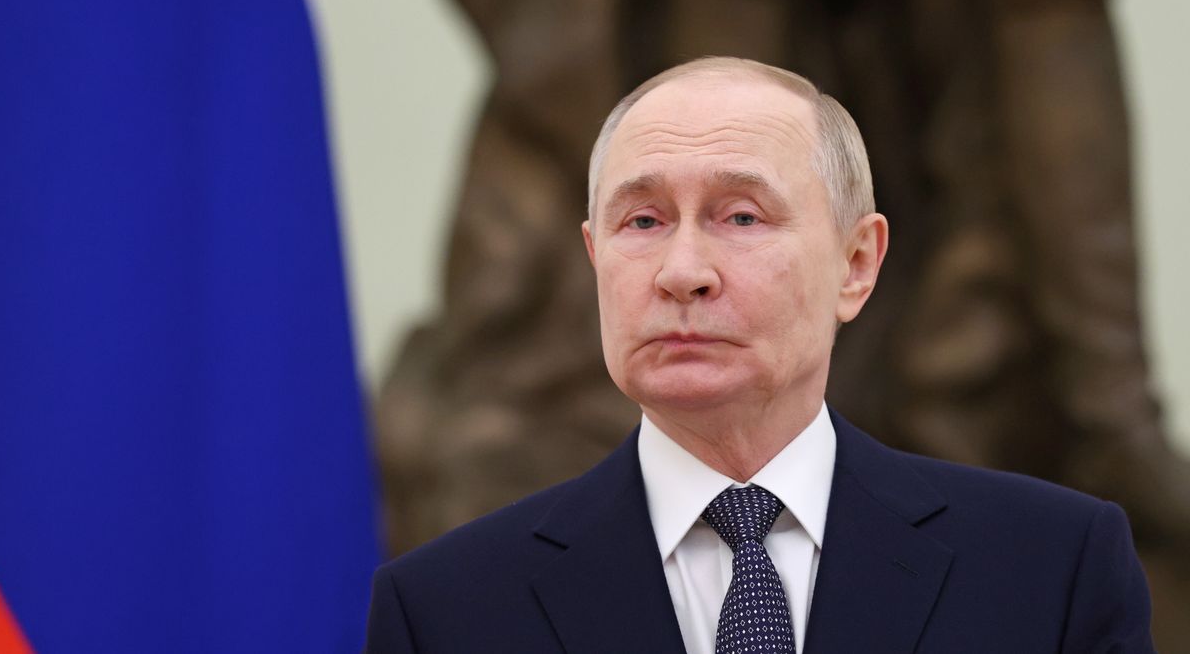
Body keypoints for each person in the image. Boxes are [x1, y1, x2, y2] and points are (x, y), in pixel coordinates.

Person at [365, 57, 1154, 653]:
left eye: (741, 217)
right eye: (642, 221)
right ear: (594, 255)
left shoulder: (1051, 568)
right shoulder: (445, 609)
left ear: (856, 264)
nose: (682, 271)